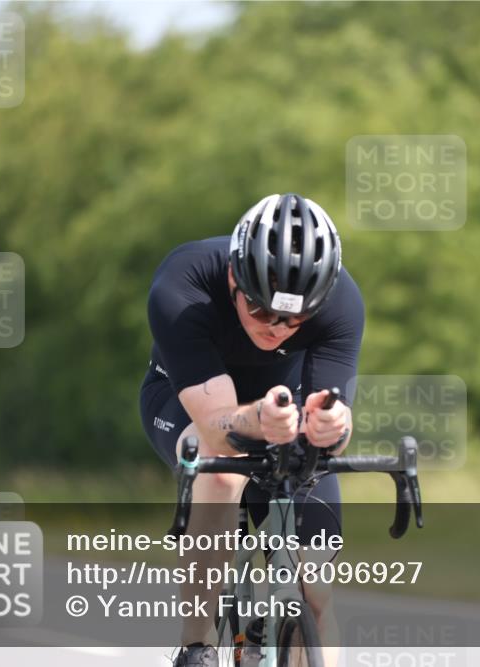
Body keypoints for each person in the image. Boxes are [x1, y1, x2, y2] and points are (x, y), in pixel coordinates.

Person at [139, 193, 363, 667]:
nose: (277, 329)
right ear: (233, 280)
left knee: (316, 589)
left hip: (284, 408)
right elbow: (217, 427)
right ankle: (197, 644)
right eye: (261, 311)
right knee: (222, 469)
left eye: (296, 319)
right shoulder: (183, 284)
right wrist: (257, 418)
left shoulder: (341, 302)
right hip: (188, 403)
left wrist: (332, 427)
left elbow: (334, 429)